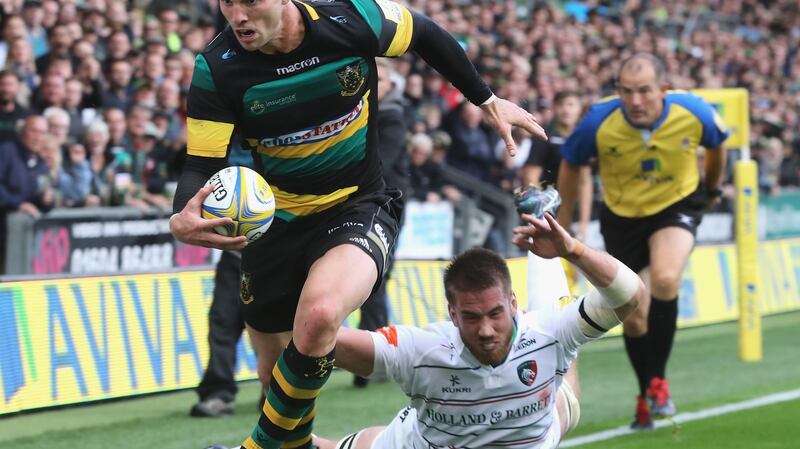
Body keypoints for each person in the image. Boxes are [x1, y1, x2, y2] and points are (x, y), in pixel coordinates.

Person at [169, 1, 545, 448]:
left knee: (321, 316)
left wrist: (485, 98)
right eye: (228, 1)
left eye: (250, 0)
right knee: (276, 383)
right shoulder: (218, 67)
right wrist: (182, 214)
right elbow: (201, 164)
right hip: (276, 225)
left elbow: (424, 32)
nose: (238, 15)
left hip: (357, 206)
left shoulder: (351, 18)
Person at [312, 213, 644, 449]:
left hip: (538, 415)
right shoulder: (422, 349)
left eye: (496, 313)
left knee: (563, 367)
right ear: (452, 314)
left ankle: (541, 216)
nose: (486, 330)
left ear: (513, 304)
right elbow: (318, 336)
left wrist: (573, 250)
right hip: (421, 441)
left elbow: (631, 296)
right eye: (471, 317)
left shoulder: (545, 333)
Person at [556, 53, 729, 429]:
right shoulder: (597, 122)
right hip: (622, 218)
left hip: (676, 205)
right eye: (627, 91)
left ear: (663, 89)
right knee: (634, 317)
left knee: (665, 278)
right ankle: (646, 392)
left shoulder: (694, 111)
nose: (635, 101)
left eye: (645, 91)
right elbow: (571, 163)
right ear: (617, 91)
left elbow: (717, 144)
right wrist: (563, 226)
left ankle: (658, 383)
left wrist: (713, 188)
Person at [353, 58, 409, 388]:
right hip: (365, 205)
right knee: (370, 281)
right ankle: (373, 358)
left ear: (390, 85)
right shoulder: (361, 115)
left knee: (375, 279)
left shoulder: (391, 117)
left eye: (382, 78)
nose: (376, 83)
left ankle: (374, 359)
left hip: (384, 207)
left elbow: (382, 164)